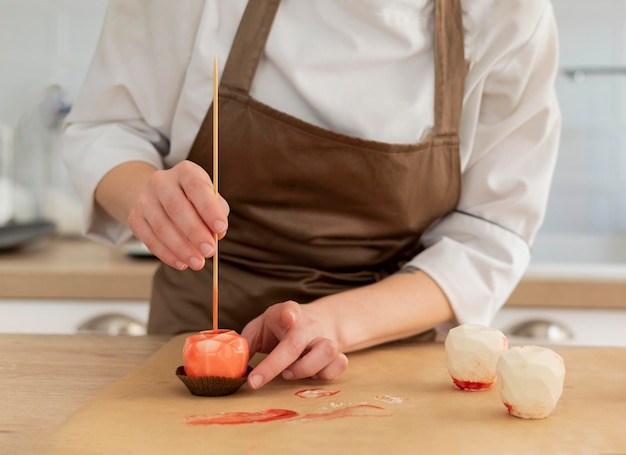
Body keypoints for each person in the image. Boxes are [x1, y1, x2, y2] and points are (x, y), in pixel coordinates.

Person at [63, 0, 561, 390]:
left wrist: (335, 324)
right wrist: (143, 196)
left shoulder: (506, 13)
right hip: (189, 342)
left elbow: (491, 235)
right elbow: (108, 129)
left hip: (387, 361)